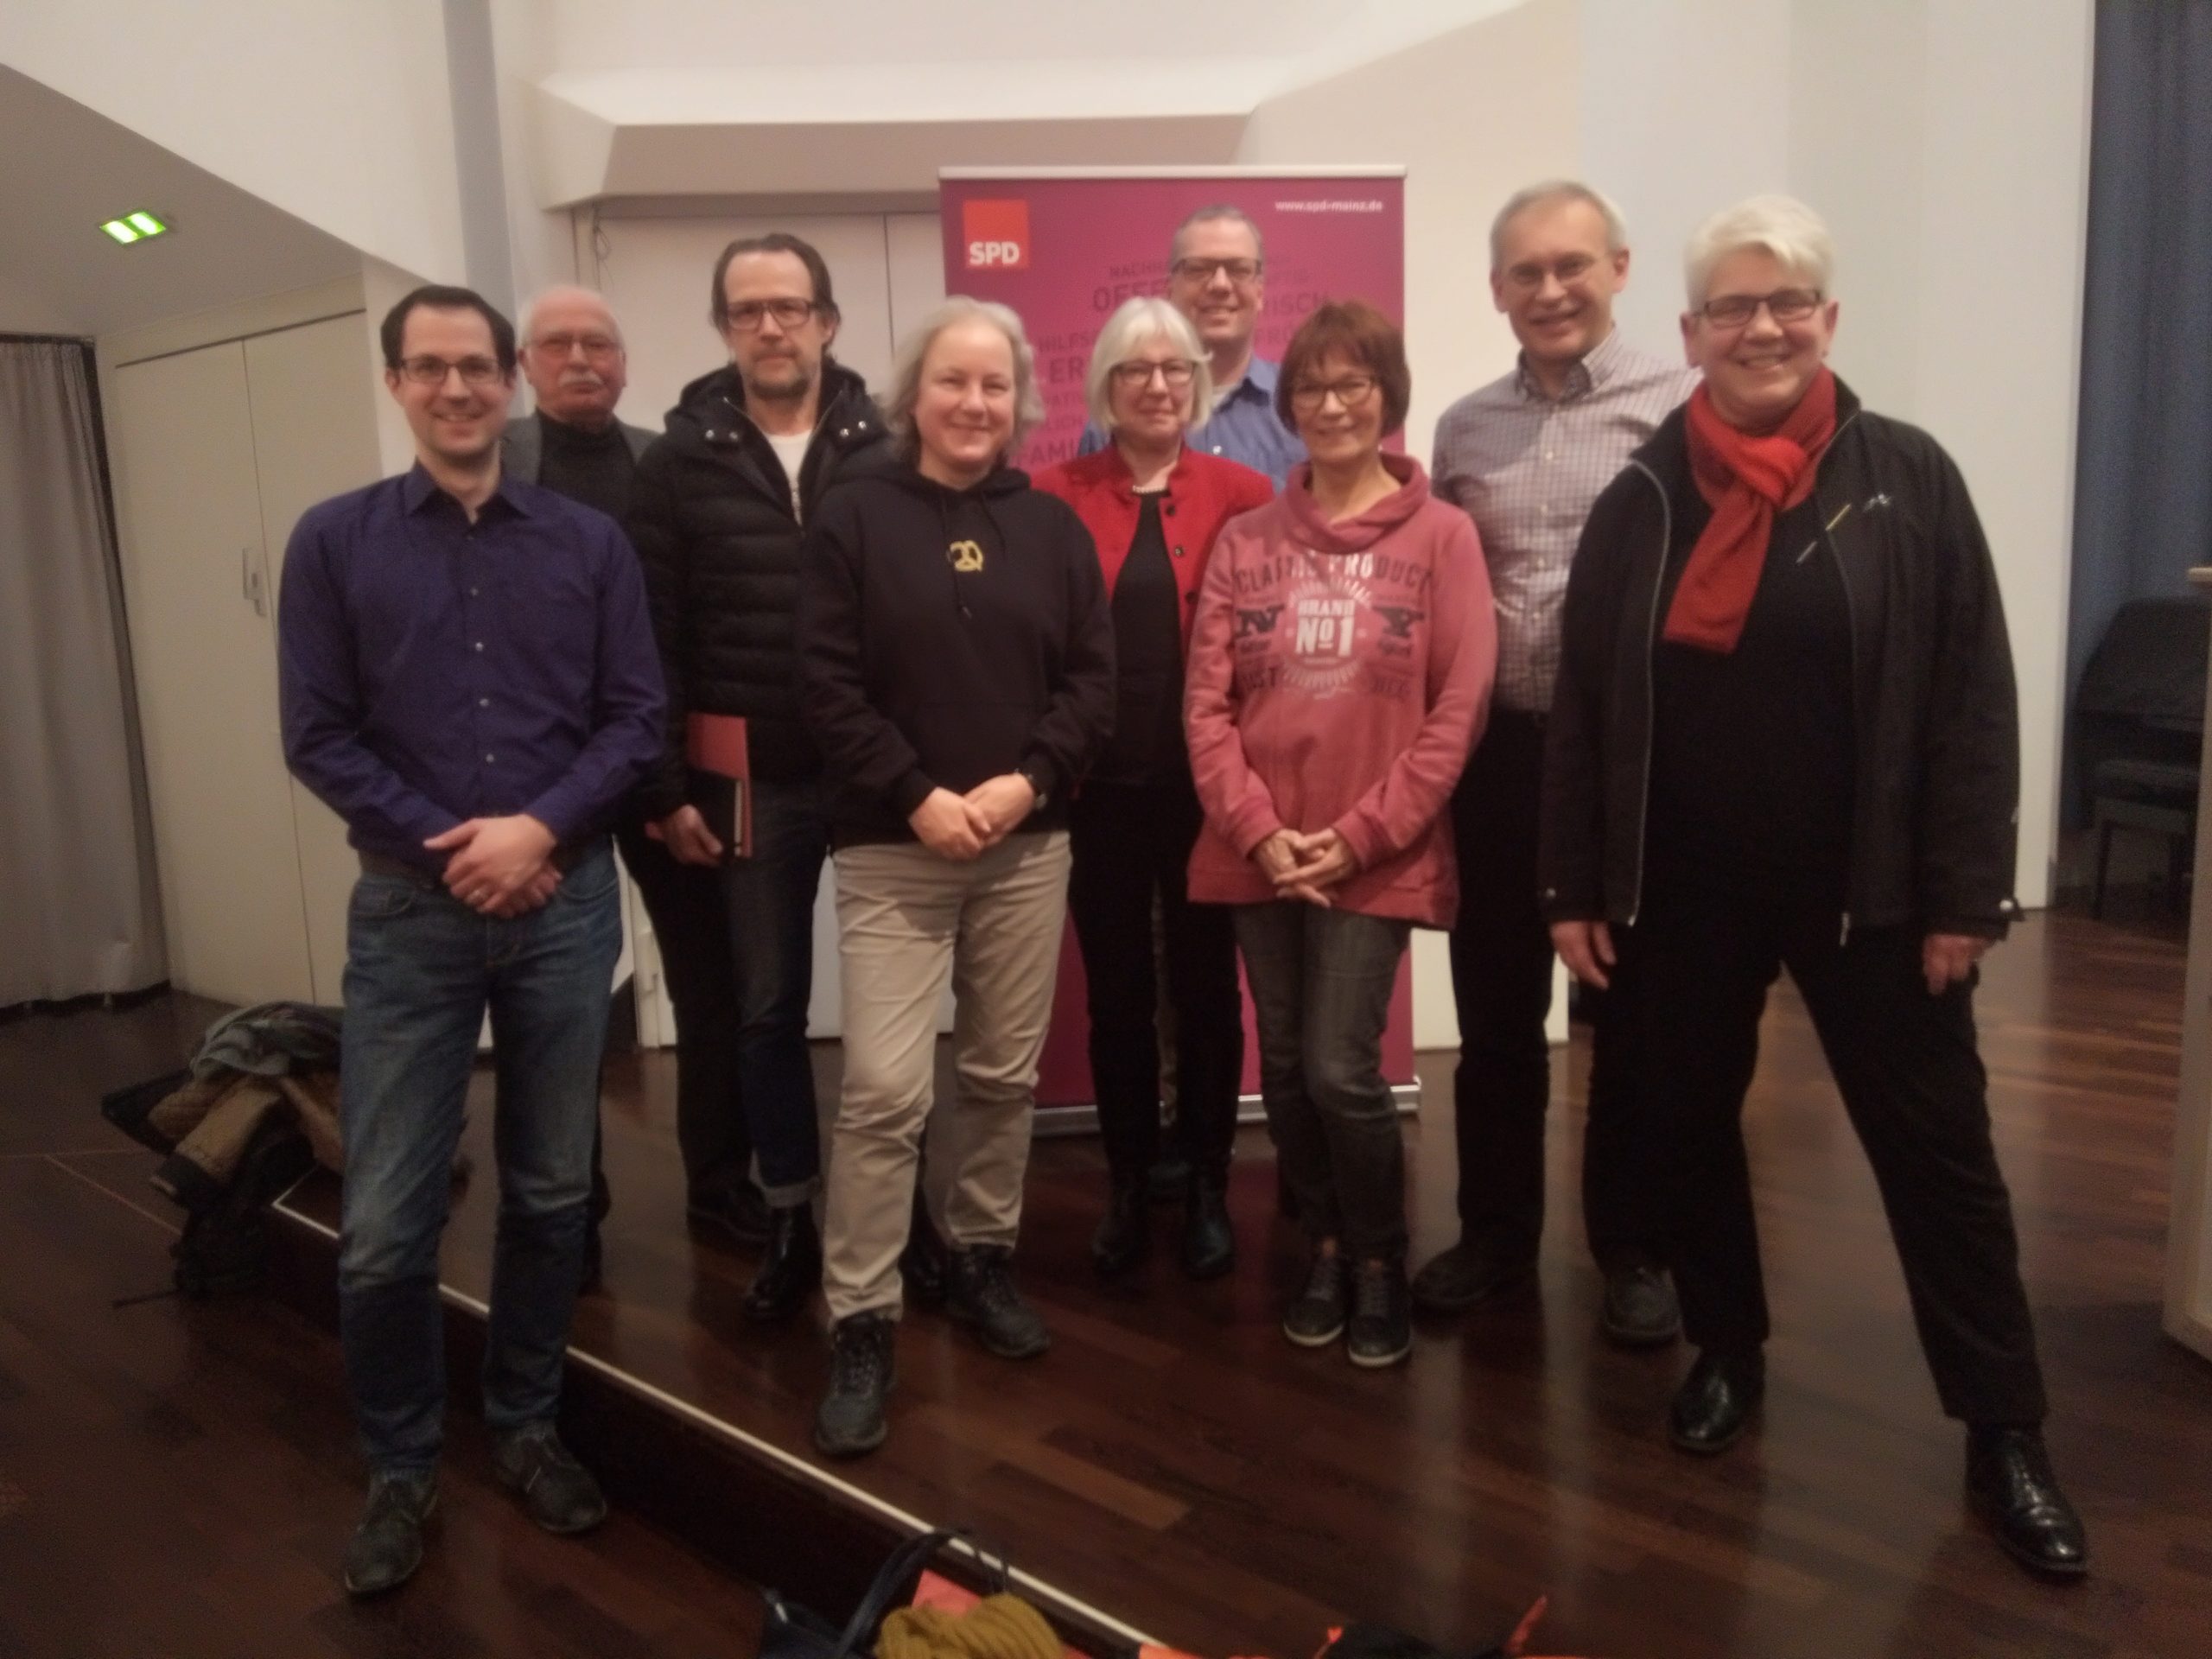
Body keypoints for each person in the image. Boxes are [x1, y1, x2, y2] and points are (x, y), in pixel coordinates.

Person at [1541, 194, 2087, 1577]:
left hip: (1873, 892)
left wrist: (1968, 892)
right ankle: (1729, 1347)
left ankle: (2005, 1428)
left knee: (1941, 1159)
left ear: (1828, 320)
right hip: (1681, 890)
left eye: (1787, 302)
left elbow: (1973, 695)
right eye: (1734, 305)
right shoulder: (1644, 496)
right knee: (1686, 1127)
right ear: (1690, 333)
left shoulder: (1907, 478)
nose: (1763, 327)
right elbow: (1588, 708)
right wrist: (1574, 884)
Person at [278, 285, 665, 1595]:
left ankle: (525, 1423)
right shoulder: (332, 543)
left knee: (552, 1194)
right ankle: (400, 1465)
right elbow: (317, 735)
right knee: (387, 1222)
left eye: (476, 367)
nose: (455, 388)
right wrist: (464, 846)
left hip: (565, 902)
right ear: (395, 383)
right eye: (428, 367)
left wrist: (537, 829)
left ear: (510, 382)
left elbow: (636, 717)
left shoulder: (589, 544)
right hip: (411, 913)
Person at [798, 297, 1113, 1457]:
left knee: (998, 1075)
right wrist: (918, 794)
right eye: (952, 381)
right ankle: (863, 1315)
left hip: (1026, 846)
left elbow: (1093, 683)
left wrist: (1026, 785)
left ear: (1019, 401)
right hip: (894, 846)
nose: (974, 403)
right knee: (885, 1091)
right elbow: (824, 684)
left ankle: (981, 1256)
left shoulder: (1053, 528)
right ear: (912, 395)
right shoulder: (852, 516)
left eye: (994, 384)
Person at [1185, 300, 1496, 1368]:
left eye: (1352, 383)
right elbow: (1206, 706)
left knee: (1338, 1068)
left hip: (1376, 852)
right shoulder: (1245, 540)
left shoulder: (1443, 536)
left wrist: (1361, 836)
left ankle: (1377, 1258)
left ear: (1386, 396)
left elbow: (1459, 709)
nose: (1330, 404)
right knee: (1281, 1066)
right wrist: (1258, 830)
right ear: (1289, 404)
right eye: (1311, 387)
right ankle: (1320, 1242)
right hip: (1259, 849)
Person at [1419, 182, 1699, 1343]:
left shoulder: (1678, 409)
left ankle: (1632, 1247)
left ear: (1619, 268)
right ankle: (1495, 1235)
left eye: (1571, 265)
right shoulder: (1462, 428)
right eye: (1526, 272)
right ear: (1496, 290)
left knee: (1628, 1014)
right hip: (1497, 759)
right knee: (1494, 1015)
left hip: (1629, 767)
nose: (1550, 290)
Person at [626, 233, 899, 1324]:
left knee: (891, 1021)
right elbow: (650, 637)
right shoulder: (674, 463)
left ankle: (898, 1213)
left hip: (877, 776)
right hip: (750, 783)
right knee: (766, 1008)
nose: (771, 327)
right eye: (749, 311)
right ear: (724, 329)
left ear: (827, 321)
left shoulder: (889, 448)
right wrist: (664, 788)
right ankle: (788, 1208)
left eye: (790, 307)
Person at [508, 284, 766, 1285]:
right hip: (544, 786)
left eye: (598, 344)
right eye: (557, 344)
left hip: (666, 773)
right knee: (552, 1007)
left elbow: (694, 623)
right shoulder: (492, 465)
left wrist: (674, 781)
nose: (580, 359)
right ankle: (569, 1211)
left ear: (623, 362)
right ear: (526, 365)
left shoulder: (667, 464)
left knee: (711, 988)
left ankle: (721, 1184)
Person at [1033, 297, 1273, 1281]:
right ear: (1105, 385)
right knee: (1120, 998)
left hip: (1207, 792)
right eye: (1136, 369)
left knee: (1210, 994)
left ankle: (1208, 1180)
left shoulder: (1245, 492)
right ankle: (1131, 1181)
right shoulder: (1051, 496)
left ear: (1200, 382)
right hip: (1096, 793)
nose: (1159, 385)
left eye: (1177, 368)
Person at [1081, 207, 1304, 491]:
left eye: (1239, 269)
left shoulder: (1301, 406)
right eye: (1198, 269)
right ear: (1170, 290)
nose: (1220, 285)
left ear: (1260, 291)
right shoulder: (1114, 422)